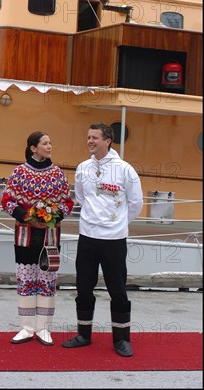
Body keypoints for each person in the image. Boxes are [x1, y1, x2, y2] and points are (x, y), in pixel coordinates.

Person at [62, 122, 143, 357]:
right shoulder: (83, 168)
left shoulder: (125, 170)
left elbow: (136, 203)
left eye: (94, 138)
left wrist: (117, 224)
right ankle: (84, 334)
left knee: (117, 289)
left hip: (114, 239)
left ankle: (121, 339)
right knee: (83, 286)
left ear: (107, 141)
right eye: (88, 137)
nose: (90, 141)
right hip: (87, 236)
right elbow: (80, 197)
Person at [1, 131, 74, 346]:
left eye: (50, 143)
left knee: (47, 281)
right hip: (25, 236)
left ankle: (44, 328)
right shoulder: (19, 173)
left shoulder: (58, 174)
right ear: (33, 148)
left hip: (50, 237)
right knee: (25, 279)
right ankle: (25, 327)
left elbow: (67, 203)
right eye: (45, 143)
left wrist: (53, 216)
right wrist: (27, 217)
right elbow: (7, 201)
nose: (50, 146)